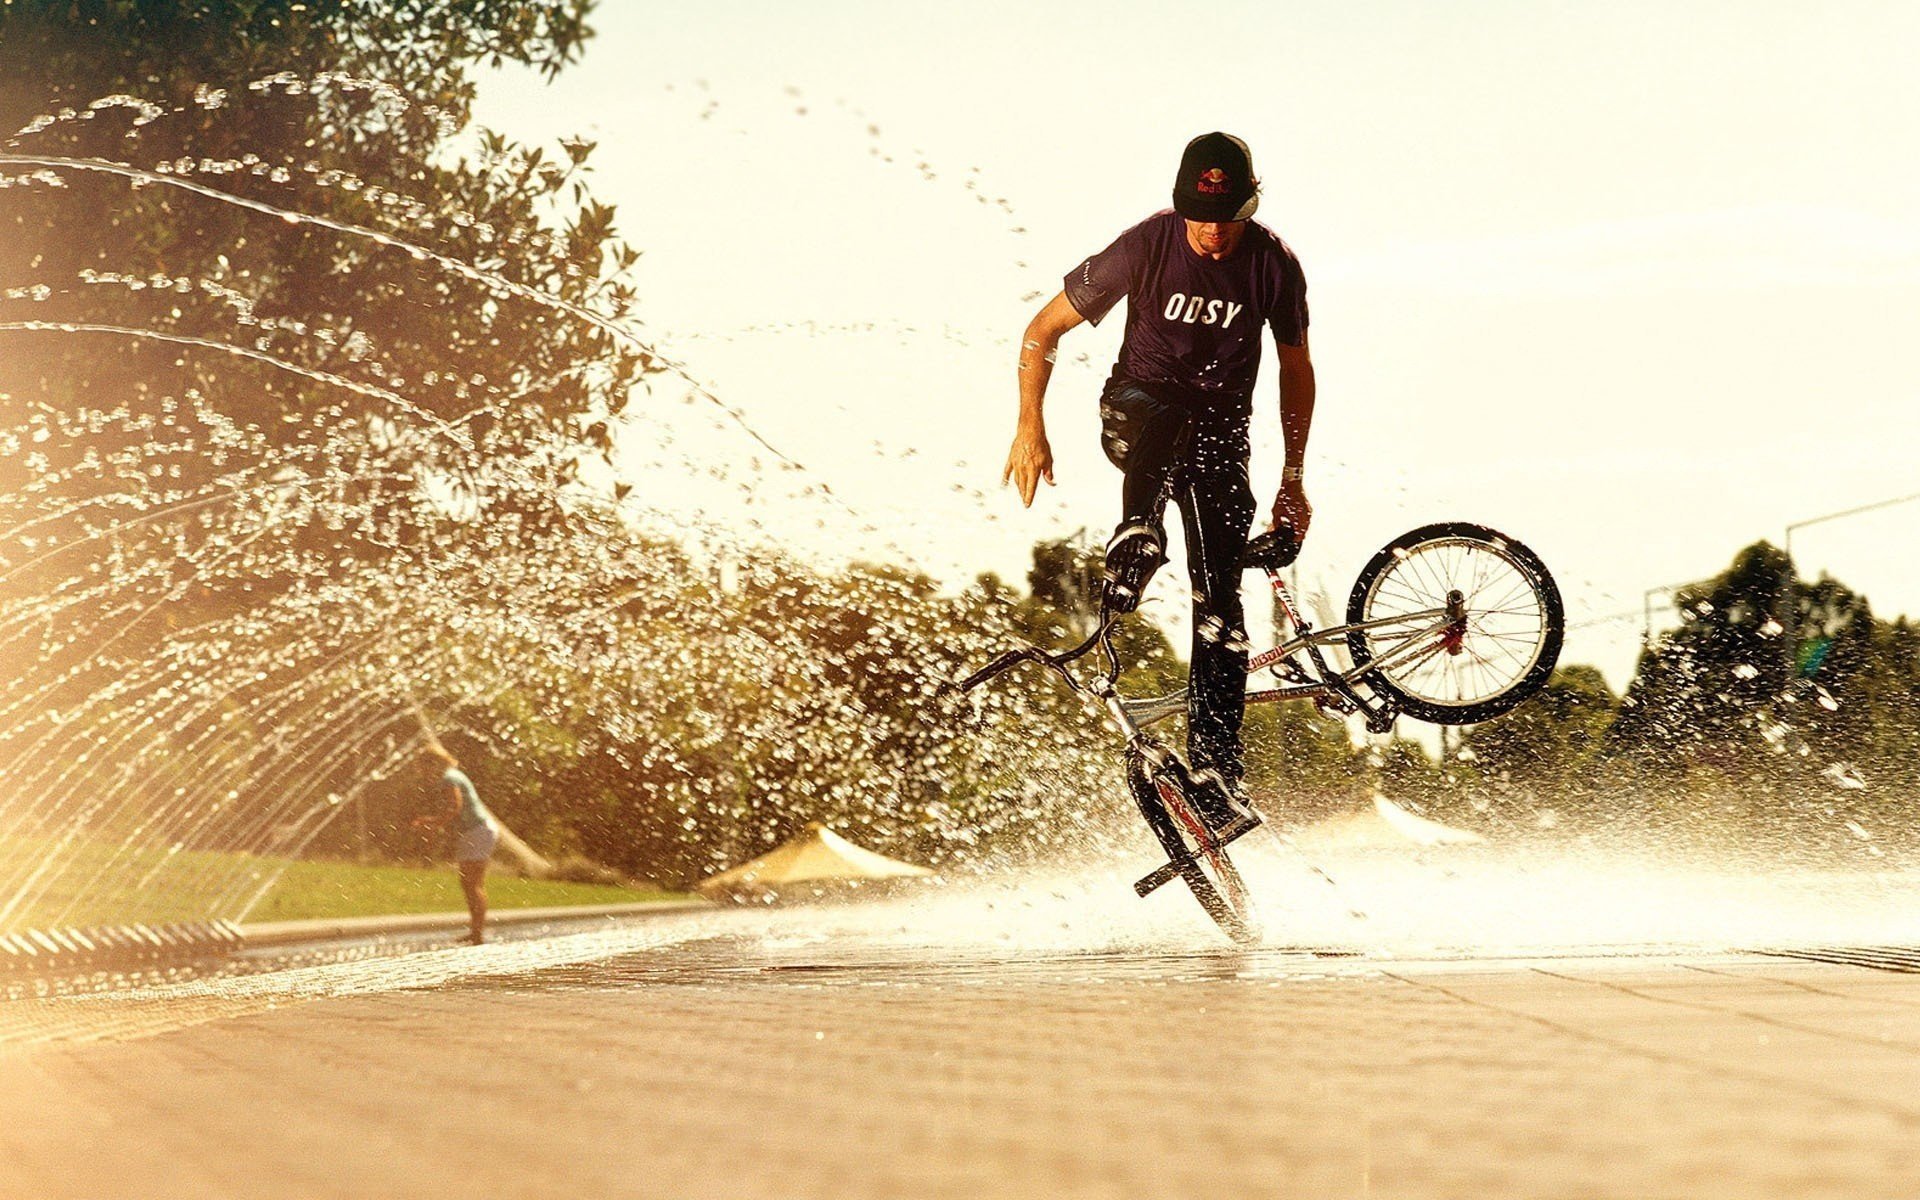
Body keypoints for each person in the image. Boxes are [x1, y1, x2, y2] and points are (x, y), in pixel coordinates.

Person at [1001, 131, 1316, 825]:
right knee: (1173, 408)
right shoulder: (1145, 244)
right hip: (1135, 417)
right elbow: (1041, 329)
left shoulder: (1272, 265)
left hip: (1220, 445)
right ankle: (1136, 532)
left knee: (1220, 599)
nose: (1209, 234)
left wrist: (1292, 478)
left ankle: (1215, 772)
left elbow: (1296, 369)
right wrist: (1031, 426)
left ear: (1250, 205)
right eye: (1198, 217)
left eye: (1224, 218)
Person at [419, 743, 497, 944]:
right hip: (476, 831)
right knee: (470, 884)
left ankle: (478, 933)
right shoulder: (452, 775)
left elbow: (455, 806)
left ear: (433, 763)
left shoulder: (449, 778)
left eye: (424, 766)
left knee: (473, 885)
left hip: (477, 831)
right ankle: (476, 931)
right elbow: (455, 809)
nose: (423, 771)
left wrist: (434, 824)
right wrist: (434, 821)